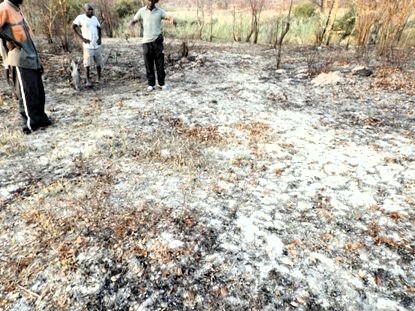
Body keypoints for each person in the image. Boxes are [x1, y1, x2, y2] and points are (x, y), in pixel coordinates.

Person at [0, 0, 52, 134]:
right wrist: (9, 41)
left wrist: (38, 60)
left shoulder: (16, 9)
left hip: (31, 58)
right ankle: (30, 124)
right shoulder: (4, 7)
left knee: (37, 91)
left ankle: (41, 119)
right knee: (27, 92)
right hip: (20, 58)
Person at [129, 0, 176, 91]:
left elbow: (168, 17)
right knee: (148, 63)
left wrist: (173, 20)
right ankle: (151, 84)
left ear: (155, 1)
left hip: (157, 41)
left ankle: (161, 83)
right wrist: (131, 23)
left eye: (152, 0)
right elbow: (135, 19)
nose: (150, 2)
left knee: (160, 63)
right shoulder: (141, 11)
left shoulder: (160, 11)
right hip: (146, 41)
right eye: (149, 0)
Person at [72, 3, 103, 86]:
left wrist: (99, 39)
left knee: (99, 63)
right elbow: (73, 27)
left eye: (91, 9)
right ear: (84, 10)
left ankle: (99, 78)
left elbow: (99, 28)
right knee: (87, 64)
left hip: (96, 44)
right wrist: (82, 38)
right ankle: (88, 80)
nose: (91, 11)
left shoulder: (94, 18)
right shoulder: (80, 18)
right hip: (87, 45)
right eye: (89, 9)